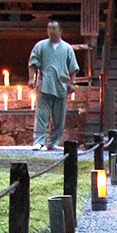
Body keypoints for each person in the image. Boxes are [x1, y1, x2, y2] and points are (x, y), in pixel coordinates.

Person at [28, 21, 79, 150]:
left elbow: (73, 67)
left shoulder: (67, 48)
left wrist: (73, 82)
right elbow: (33, 62)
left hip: (61, 84)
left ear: (60, 30)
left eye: (54, 28)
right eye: (49, 28)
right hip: (45, 83)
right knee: (42, 115)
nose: (51, 31)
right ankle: (39, 141)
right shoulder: (40, 46)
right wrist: (31, 78)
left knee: (59, 116)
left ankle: (53, 142)